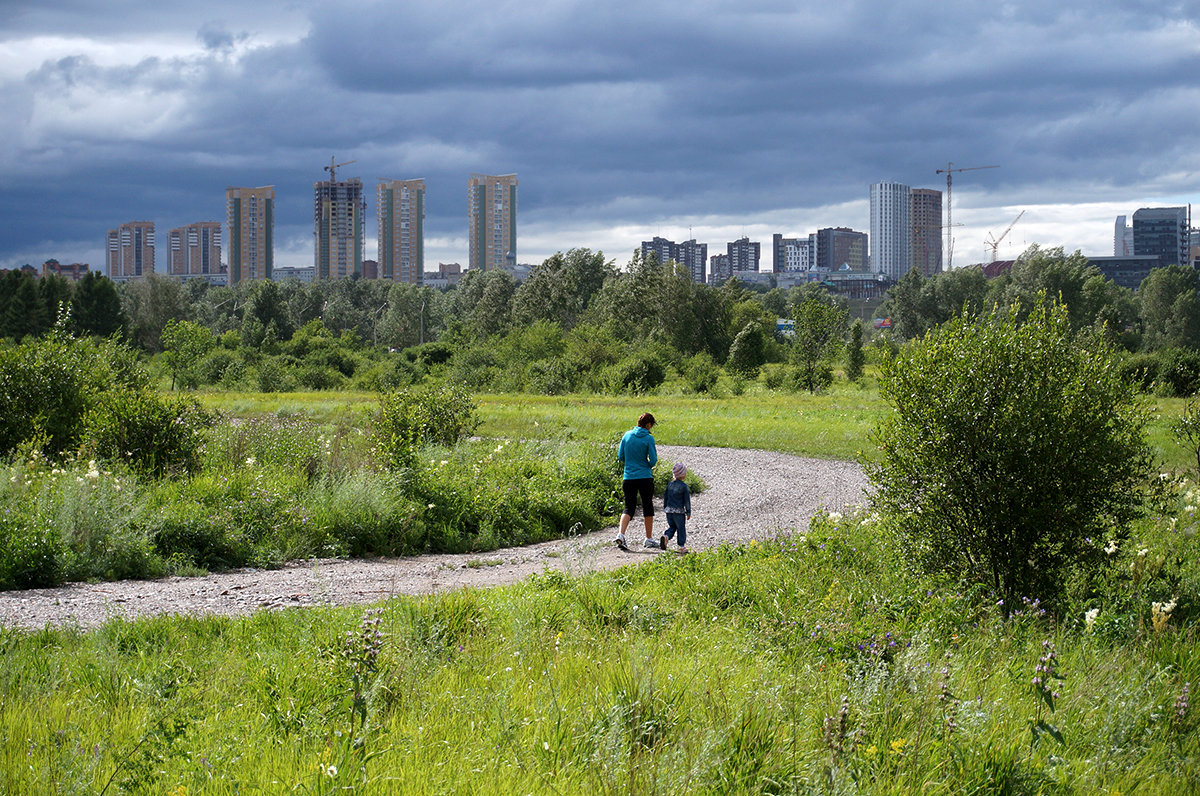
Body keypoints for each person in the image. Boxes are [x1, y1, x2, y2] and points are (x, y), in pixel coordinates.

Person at [616, 412, 658, 550]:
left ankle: (621, 535)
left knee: (629, 507)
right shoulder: (648, 439)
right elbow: (653, 461)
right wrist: (645, 464)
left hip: (628, 477)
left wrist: (631, 463)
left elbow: (620, 456)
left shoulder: (627, 435)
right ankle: (648, 538)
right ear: (648, 424)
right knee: (647, 506)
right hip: (645, 477)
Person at [660, 462, 691, 552]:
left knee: (672, 527)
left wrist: (665, 508)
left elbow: (665, 497)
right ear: (683, 475)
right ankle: (681, 546)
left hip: (669, 511)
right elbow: (686, 501)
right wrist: (688, 512)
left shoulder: (669, 485)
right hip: (679, 512)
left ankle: (666, 537)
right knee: (681, 528)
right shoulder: (684, 487)